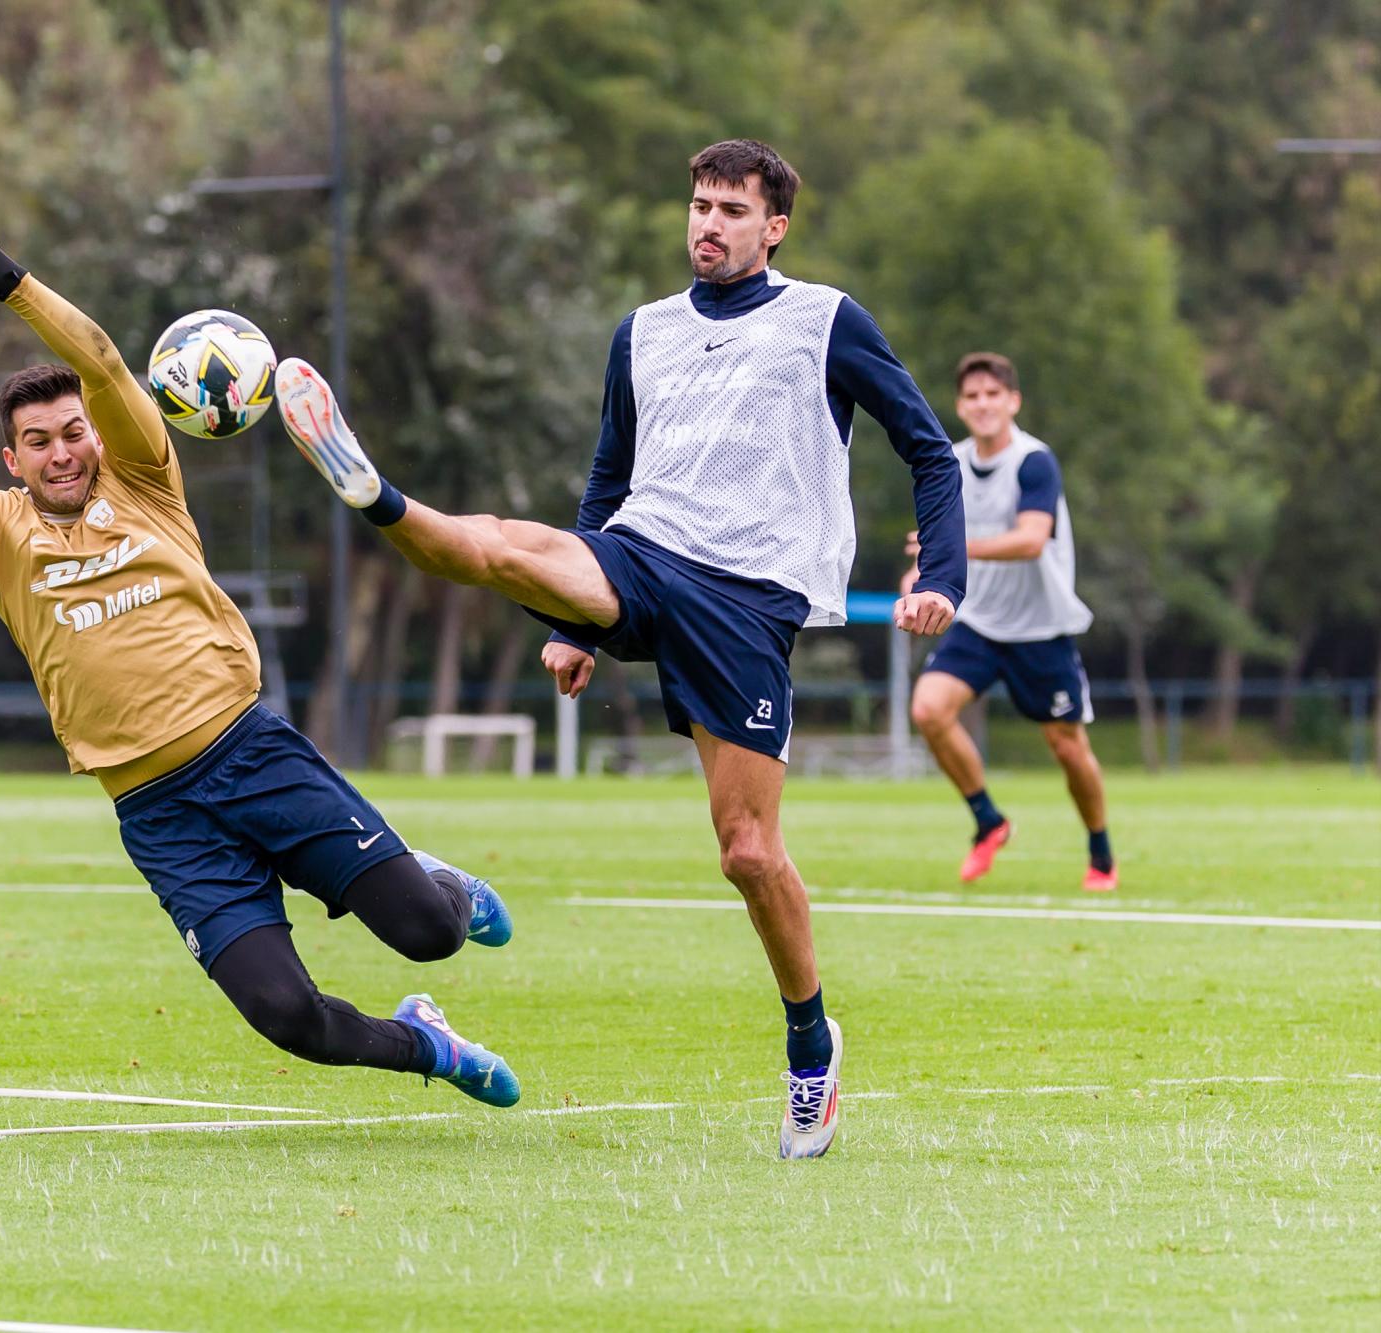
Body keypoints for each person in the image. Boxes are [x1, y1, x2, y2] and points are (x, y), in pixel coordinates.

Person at [0, 176, 519, 1105]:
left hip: (252, 756)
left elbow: (107, 364)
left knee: (430, 932)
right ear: (11, 460)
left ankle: (433, 881)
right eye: (38, 442)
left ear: (98, 441)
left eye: (73, 432)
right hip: (158, 811)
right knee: (289, 1018)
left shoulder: (146, 482)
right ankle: (427, 1045)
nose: (62, 450)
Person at [274, 139, 966, 1159]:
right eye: (697, 205)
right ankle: (372, 490)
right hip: (637, 556)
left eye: (732, 210)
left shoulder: (824, 320)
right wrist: (569, 627)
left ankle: (809, 1046)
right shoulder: (639, 333)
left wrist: (941, 577)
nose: (708, 224)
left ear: (773, 227)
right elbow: (605, 481)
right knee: (507, 546)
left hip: (744, 599)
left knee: (746, 853)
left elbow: (928, 449)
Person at [903, 352, 1115, 893]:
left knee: (1068, 748)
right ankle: (989, 821)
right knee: (928, 710)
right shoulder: (947, 462)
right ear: (960, 406)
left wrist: (958, 549)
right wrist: (917, 583)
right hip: (978, 622)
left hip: (1040, 629)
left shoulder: (1034, 461)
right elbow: (927, 547)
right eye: (972, 396)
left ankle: (1101, 853)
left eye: (993, 394)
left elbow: (1030, 539)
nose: (983, 404)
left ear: (1013, 401)